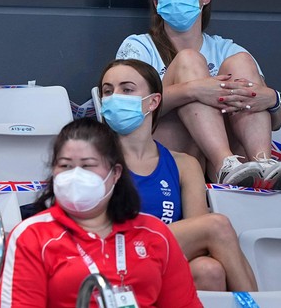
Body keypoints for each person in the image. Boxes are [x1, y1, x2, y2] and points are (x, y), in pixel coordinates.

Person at [115, 0, 281, 190]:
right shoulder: (138, 46)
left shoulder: (228, 49)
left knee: (240, 62)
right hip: (167, 157)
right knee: (189, 60)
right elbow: (125, 112)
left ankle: (263, 166)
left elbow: (276, 120)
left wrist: (273, 98)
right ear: (156, 0)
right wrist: (191, 90)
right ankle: (225, 164)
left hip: (235, 161)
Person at [0, 118, 202, 308]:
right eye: (65, 165)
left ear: (116, 173)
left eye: (88, 166)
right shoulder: (32, 236)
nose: (75, 175)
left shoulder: (155, 233)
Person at [98, 58, 257, 292]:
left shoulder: (184, 165)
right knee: (217, 225)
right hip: (111, 254)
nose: (115, 97)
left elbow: (200, 242)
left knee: (208, 270)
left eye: (127, 89)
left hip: (163, 258)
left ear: (153, 102)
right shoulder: (95, 160)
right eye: (108, 91)